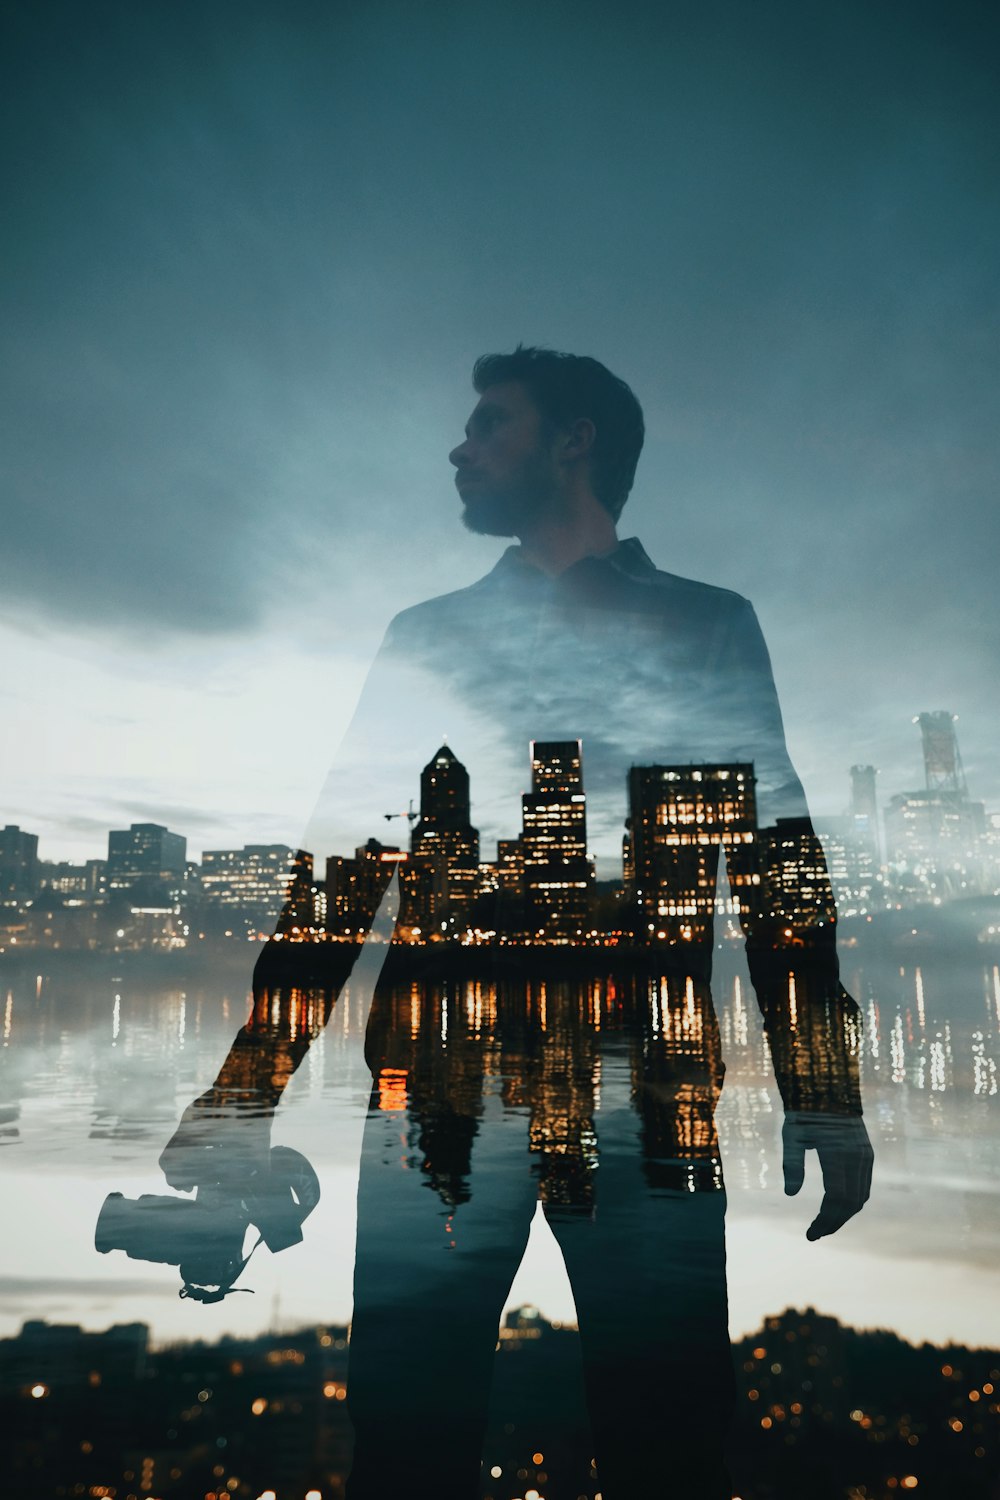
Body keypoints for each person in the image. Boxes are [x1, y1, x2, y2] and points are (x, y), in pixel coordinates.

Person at [160, 348, 874, 1499]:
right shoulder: (429, 634)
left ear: (572, 440)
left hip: (640, 1094)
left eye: (490, 424)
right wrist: (246, 1086)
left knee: (668, 1444)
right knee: (407, 1442)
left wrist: (826, 1089)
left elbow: (776, 862)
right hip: (440, 1095)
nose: (459, 445)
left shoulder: (704, 624)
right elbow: (343, 876)